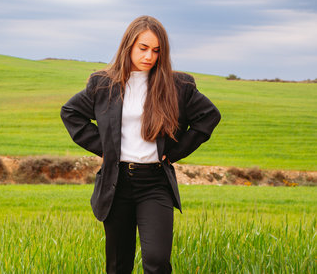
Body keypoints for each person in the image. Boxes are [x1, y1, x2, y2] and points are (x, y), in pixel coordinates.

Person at [60, 15, 221, 274]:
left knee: (157, 261)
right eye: (143, 48)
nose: (149, 56)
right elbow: (70, 113)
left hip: (155, 184)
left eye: (157, 50)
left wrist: (173, 153)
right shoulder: (103, 84)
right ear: (129, 46)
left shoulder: (178, 85)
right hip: (117, 183)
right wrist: (106, 148)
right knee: (118, 265)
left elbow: (209, 117)